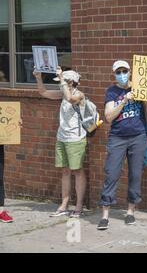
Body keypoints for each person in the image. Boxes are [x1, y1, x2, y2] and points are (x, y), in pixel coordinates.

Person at [97, 60, 147, 230]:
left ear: (130, 72)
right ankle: (105, 214)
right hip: (117, 137)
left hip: (138, 136)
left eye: (125, 71)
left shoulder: (141, 87)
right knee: (111, 173)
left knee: (135, 174)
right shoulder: (112, 92)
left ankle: (130, 211)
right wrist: (123, 101)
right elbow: (108, 117)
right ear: (114, 74)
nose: (122, 74)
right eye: (118, 72)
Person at [33, 67, 87, 218]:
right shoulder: (62, 94)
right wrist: (38, 78)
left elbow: (71, 99)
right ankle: (64, 204)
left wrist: (62, 79)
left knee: (77, 171)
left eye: (63, 82)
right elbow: (43, 93)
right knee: (65, 171)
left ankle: (79, 205)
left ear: (71, 82)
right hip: (62, 137)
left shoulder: (79, 95)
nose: (60, 85)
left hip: (75, 139)